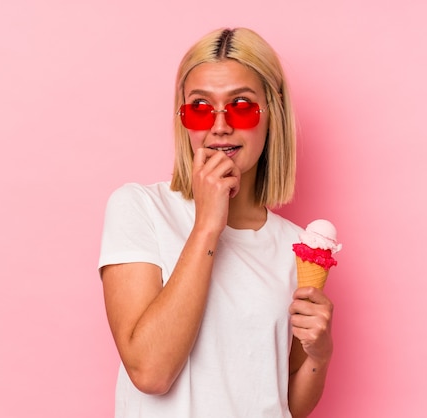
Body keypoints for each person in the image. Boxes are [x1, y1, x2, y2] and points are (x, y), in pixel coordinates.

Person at [98, 27, 334, 418]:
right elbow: (150, 372)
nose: (219, 126)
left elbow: (286, 403)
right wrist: (209, 222)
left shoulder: (298, 247)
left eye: (241, 105)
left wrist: (320, 354)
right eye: (200, 108)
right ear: (184, 119)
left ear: (271, 114)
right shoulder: (139, 208)